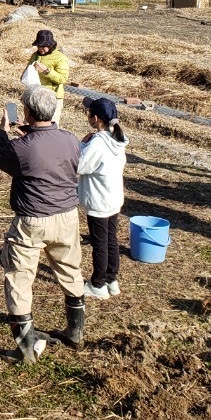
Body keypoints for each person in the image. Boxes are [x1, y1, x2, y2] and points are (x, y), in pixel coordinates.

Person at [0, 84, 85, 363]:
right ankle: (75, 332)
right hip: (67, 216)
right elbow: (50, 154)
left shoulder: (20, 148)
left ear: (27, 113)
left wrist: (2, 131)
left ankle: (25, 348)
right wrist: (30, 135)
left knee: (19, 279)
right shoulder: (70, 139)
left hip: (32, 221)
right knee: (70, 270)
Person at [77, 97, 127, 300]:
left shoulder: (98, 143)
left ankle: (98, 284)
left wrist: (82, 144)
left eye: (89, 113)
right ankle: (111, 280)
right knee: (111, 240)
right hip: (113, 199)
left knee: (100, 243)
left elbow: (81, 166)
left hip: (99, 201)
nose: (88, 116)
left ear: (95, 118)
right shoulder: (118, 139)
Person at [28, 30, 70, 125]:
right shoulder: (35, 56)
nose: (40, 48)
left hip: (53, 97)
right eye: (39, 46)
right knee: (32, 125)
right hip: (36, 95)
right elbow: (27, 72)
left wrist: (46, 71)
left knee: (49, 126)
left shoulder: (60, 58)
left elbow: (63, 78)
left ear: (51, 45)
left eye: (43, 46)